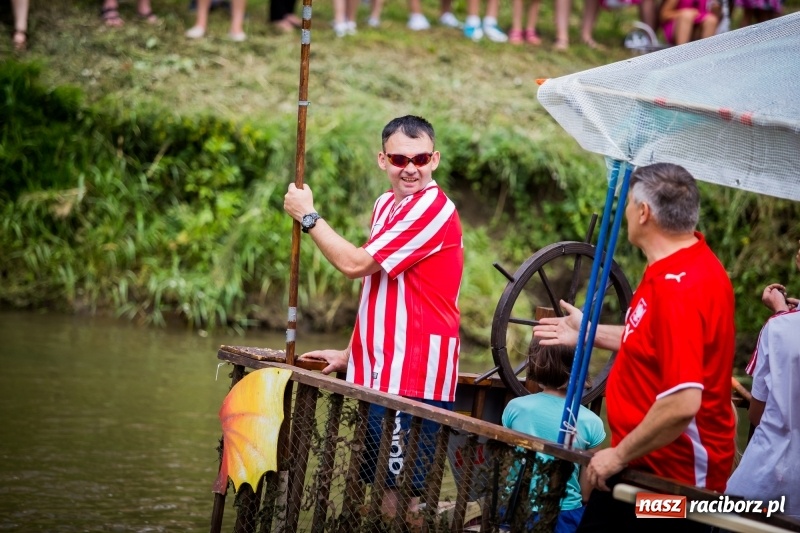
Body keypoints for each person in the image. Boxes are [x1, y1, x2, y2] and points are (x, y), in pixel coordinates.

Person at [534, 163, 736, 531]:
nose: (626, 211)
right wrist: (588, 333)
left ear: (644, 213)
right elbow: (650, 338)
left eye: (629, 203)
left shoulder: (679, 288)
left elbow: (682, 403)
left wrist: (616, 456)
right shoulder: (685, 265)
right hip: (644, 468)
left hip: (670, 488)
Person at [284, 115, 464, 518]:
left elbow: (355, 264)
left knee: (397, 501)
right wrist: (353, 352)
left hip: (414, 372)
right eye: (400, 159)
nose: (411, 169)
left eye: (420, 158)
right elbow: (377, 283)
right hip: (380, 369)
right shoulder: (386, 204)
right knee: (375, 491)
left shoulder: (433, 208)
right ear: (383, 161)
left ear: (434, 159)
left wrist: (308, 217)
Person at [726, 242, 800, 520]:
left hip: (766, 484)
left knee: (665, 509)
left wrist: (782, 315)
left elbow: (756, 413)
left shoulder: (779, 327)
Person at [501, 340, 606, 532]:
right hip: (564, 512)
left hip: (515, 505)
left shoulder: (515, 408)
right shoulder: (592, 422)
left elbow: (508, 463)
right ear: (580, 371)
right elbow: (586, 489)